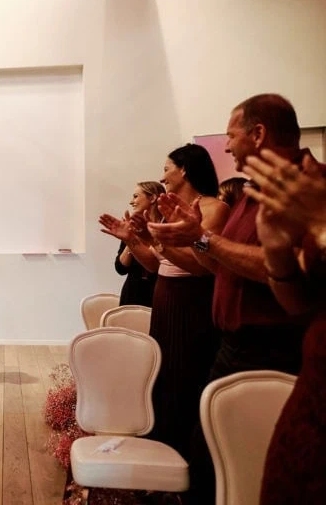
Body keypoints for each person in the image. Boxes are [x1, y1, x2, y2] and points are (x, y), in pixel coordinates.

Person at [148, 94, 312, 502]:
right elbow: (221, 263)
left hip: (269, 352)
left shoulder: (310, 189)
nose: (225, 146)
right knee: (208, 461)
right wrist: (191, 241)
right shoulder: (250, 196)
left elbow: (287, 271)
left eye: (231, 135)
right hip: (232, 348)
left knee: (235, 468)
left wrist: (201, 238)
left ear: (258, 134)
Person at [100, 144, 229, 458]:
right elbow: (158, 265)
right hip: (167, 301)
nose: (163, 176)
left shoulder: (213, 209)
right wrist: (132, 239)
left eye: (167, 168)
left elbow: (201, 266)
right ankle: (163, 451)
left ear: (184, 169)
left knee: (187, 377)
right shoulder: (173, 211)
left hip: (192, 303)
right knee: (165, 377)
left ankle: (186, 456)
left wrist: (157, 238)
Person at [242, 148, 326, 503]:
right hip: (313, 399)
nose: (228, 146)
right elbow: (301, 304)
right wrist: (276, 253)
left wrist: (322, 223)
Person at [113, 181, 164, 307]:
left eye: (135, 196)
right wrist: (130, 239)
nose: (131, 202)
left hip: (158, 295)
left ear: (152, 198)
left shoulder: (166, 228)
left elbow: (159, 267)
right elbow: (121, 268)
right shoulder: (132, 227)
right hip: (132, 294)